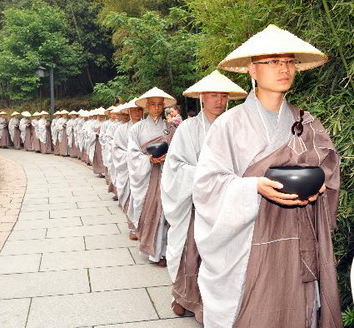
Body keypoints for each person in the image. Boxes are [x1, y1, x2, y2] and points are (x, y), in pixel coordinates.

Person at [193, 24, 342, 327]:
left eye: (288, 62)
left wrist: (320, 185)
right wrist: (253, 188)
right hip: (250, 244)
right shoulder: (229, 125)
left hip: (298, 235)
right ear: (252, 69)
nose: (284, 68)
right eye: (273, 62)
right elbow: (207, 185)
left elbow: (328, 167)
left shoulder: (306, 121)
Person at [161, 70, 247, 321]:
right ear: (202, 97)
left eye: (223, 95)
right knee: (192, 253)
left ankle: (218, 308)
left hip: (226, 204)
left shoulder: (235, 128)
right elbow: (175, 167)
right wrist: (208, 174)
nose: (219, 100)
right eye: (213, 95)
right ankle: (185, 298)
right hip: (196, 205)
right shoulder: (187, 129)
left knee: (223, 260)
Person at [128, 87, 177, 266]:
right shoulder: (137, 128)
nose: (156, 108)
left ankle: (164, 251)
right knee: (151, 211)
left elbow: (179, 150)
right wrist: (148, 159)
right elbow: (132, 154)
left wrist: (168, 157)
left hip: (166, 173)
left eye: (159, 105)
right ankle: (152, 250)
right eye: (153, 105)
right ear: (147, 106)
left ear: (163, 106)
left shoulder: (170, 128)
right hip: (148, 177)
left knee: (166, 213)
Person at [111, 99, 142, 240]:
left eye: (139, 109)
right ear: (129, 111)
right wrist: (132, 156)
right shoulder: (121, 130)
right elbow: (116, 149)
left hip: (146, 169)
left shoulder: (146, 127)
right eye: (134, 110)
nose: (137, 112)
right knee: (131, 197)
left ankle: (144, 228)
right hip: (129, 170)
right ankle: (133, 227)